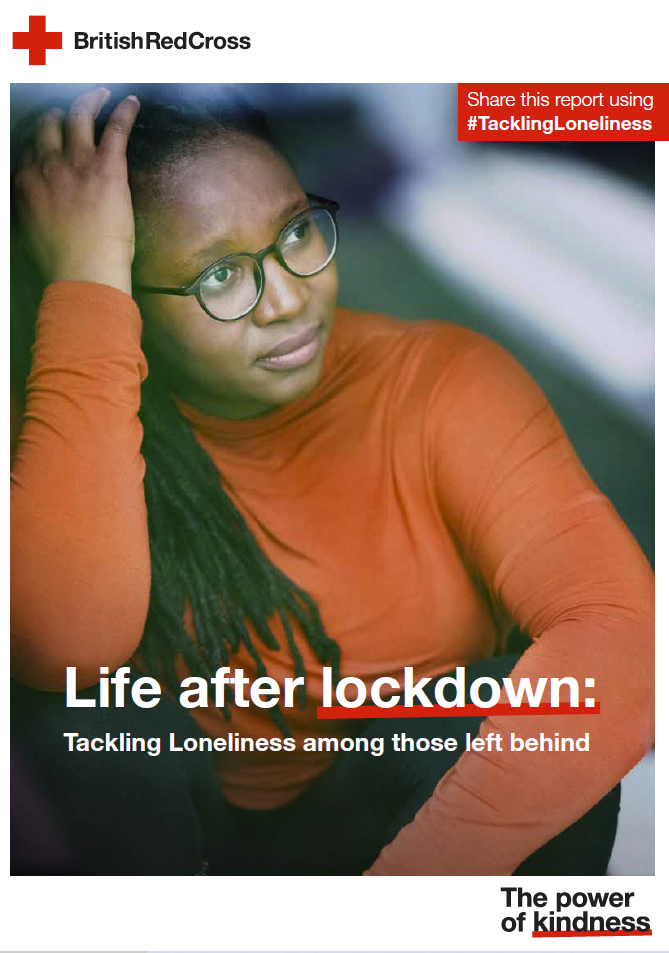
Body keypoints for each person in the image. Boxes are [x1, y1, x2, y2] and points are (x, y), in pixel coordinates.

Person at [10, 85, 654, 876]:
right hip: (199, 848)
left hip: (416, 822)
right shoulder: (68, 414)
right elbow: (61, 647)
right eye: (218, 278)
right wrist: (87, 288)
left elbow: (625, 638)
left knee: (485, 717)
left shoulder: (438, 380)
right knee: (86, 726)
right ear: (125, 300)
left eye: (295, 232)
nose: (287, 299)